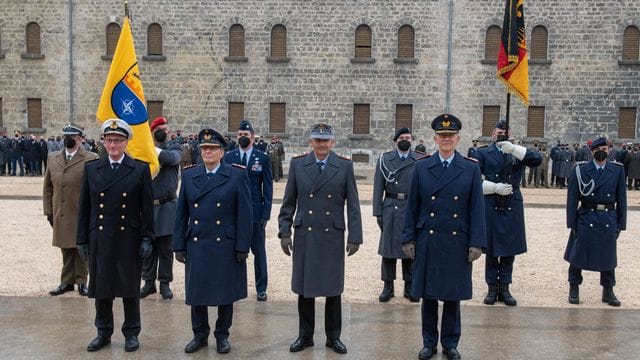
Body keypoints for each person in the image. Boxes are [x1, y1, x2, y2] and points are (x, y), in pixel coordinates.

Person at [402, 114, 485, 360]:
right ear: (435, 138)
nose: (446, 140)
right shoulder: (421, 167)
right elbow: (412, 206)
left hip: (457, 239)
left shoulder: (470, 168)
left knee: (452, 296)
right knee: (428, 295)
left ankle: (450, 343)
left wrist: (477, 242)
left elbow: (476, 208)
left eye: (451, 136)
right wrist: (408, 238)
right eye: (442, 136)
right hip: (428, 238)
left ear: (458, 139)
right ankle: (429, 342)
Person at [278, 122, 362, 355]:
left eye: (326, 140)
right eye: (317, 140)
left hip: (332, 235)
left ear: (332, 142)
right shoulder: (298, 164)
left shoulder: (344, 166)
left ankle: (333, 337)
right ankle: (305, 336)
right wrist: (284, 231)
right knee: (305, 290)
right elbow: (289, 202)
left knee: (333, 289)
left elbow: (353, 204)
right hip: (306, 233)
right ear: (310, 142)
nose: (322, 144)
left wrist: (355, 236)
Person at [76, 119, 154, 352]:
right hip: (100, 237)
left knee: (130, 288)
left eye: (118, 140)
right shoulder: (92, 169)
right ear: (103, 142)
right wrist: (81, 239)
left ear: (126, 142)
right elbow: (85, 208)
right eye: (109, 140)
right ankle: (103, 332)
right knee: (102, 288)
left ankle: (131, 333)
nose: (113, 145)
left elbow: (147, 209)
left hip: (128, 238)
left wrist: (147, 237)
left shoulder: (139, 169)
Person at [173, 128, 252, 354]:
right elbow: (181, 214)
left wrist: (242, 246)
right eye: (204, 148)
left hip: (224, 243)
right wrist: (178, 245)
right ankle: (199, 334)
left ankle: (222, 335)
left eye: (212, 148)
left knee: (225, 293)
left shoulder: (236, 175)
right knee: (197, 292)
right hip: (197, 243)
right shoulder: (189, 175)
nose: (207, 152)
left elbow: (245, 214)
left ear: (222, 152)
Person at [473, 120, 541, 306]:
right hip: (491, 202)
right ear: (492, 133)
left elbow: (537, 160)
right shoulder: (482, 153)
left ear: (510, 134)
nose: (501, 134)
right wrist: (493, 187)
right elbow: (472, 179)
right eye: (498, 131)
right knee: (493, 249)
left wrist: (514, 150)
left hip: (511, 202)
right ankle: (491, 288)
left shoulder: (515, 151)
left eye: (505, 132)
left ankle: (505, 287)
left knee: (509, 249)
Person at [565, 137, 626, 306]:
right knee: (577, 255)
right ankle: (574, 287)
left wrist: (621, 223)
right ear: (591, 152)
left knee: (608, 257)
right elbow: (572, 198)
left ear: (609, 151)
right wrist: (571, 222)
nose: (601, 153)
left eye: (605, 150)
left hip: (608, 216)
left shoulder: (617, 170)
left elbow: (622, 198)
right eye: (598, 150)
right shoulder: (580, 169)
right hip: (586, 216)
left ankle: (608, 291)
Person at [43, 124, 99, 297]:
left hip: (81, 211)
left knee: (81, 247)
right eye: (66, 136)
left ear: (81, 139)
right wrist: (49, 211)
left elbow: (95, 188)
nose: (69, 139)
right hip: (61, 211)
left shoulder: (90, 159)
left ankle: (82, 282)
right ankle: (66, 282)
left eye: (73, 137)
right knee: (66, 247)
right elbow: (48, 187)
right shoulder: (53, 158)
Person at [223, 120, 273, 301]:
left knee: (258, 252)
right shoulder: (229, 157)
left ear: (252, 138)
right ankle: (234, 286)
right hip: (234, 213)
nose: (243, 138)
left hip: (255, 212)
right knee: (233, 251)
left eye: (246, 135)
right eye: (240, 135)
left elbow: (267, 188)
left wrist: (266, 213)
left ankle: (261, 288)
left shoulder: (263, 158)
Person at [372, 127, 420, 303]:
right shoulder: (385, 159)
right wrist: (378, 211)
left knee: (410, 248)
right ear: (395, 141)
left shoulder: (419, 159)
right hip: (391, 207)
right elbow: (378, 187)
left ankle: (410, 286)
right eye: (401, 138)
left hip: (411, 207)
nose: (405, 140)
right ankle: (388, 286)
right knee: (389, 250)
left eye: (408, 137)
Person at [140, 117, 182, 300]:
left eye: (166, 129)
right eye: (160, 129)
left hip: (167, 206)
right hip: (148, 206)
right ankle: (148, 283)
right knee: (148, 247)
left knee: (166, 248)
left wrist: (151, 148)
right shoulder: (143, 151)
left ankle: (165, 283)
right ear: (152, 130)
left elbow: (172, 159)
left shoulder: (174, 147)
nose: (164, 132)